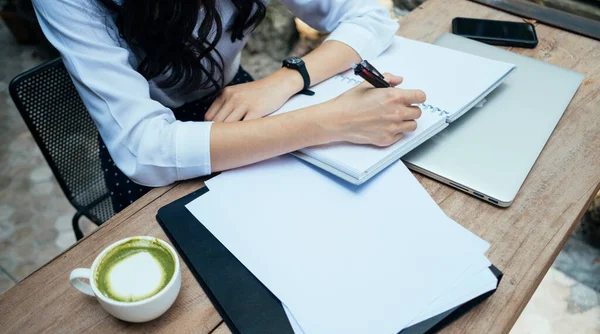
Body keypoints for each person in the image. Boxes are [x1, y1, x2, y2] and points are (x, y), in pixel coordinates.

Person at [32, 0, 426, 212]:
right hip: (151, 142)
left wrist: (287, 79)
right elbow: (143, 149)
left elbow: (368, 15)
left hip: (238, 100)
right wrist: (331, 121)